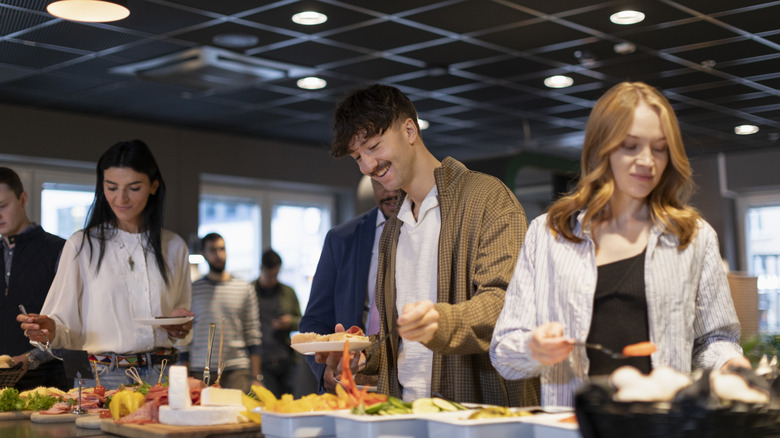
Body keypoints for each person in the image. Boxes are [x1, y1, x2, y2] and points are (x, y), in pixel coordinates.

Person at [490, 82, 750, 407]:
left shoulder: (693, 237)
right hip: (574, 424)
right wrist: (533, 348)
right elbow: (503, 350)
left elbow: (715, 338)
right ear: (602, 149)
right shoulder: (549, 234)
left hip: (662, 424)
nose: (647, 161)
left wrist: (728, 363)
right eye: (630, 146)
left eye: (659, 148)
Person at [318, 84, 539, 406]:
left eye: (374, 147)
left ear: (409, 130)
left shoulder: (486, 197)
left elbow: (506, 303)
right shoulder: (394, 228)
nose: (367, 167)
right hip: (407, 411)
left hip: (475, 414)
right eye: (357, 157)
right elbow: (400, 339)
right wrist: (363, 356)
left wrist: (439, 321)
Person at [17, 139, 193, 389]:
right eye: (111, 187)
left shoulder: (175, 247)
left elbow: (180, 320)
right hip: (102, 375)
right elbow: (65, 327)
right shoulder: (82, 245)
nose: (121, 198)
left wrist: (180, 326)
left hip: (162, 374)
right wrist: (50, 329)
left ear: (153, 186)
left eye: (133, 188)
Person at [300, 178, 399, 393]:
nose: (390, 190)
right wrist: (325, 371)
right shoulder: (342, 238)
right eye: (379, 181)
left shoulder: (433, 231)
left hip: (411, 380)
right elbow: (314, 321)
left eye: (393, 177)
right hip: (350, 382)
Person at [0, 167, 68, 391]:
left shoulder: (59, 250)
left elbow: (69, 324)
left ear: (23, 199)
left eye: (2, 206)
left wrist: (29, 359)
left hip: (47, 383)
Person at [183, 233, 261, 392]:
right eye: (212, 250)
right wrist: (184, 374)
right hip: (200, 368)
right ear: (204, 254)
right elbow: (185, 335)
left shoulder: (244, 288)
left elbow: (253, 333)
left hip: (237, 368)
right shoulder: (192, 289)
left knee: (237, 415)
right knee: (201, 415)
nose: (218, 255)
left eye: (222, 249)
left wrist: (256, 377)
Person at [254, 249, 302, 397]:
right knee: (269, 405)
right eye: (270, 275)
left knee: (289, 403)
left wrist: (290, 321)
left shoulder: (287, 291)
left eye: (276, 274)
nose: (273, 279)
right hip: (261, 362)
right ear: (262, 269)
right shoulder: (250, 291)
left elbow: (301, 321)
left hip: (286, 360)